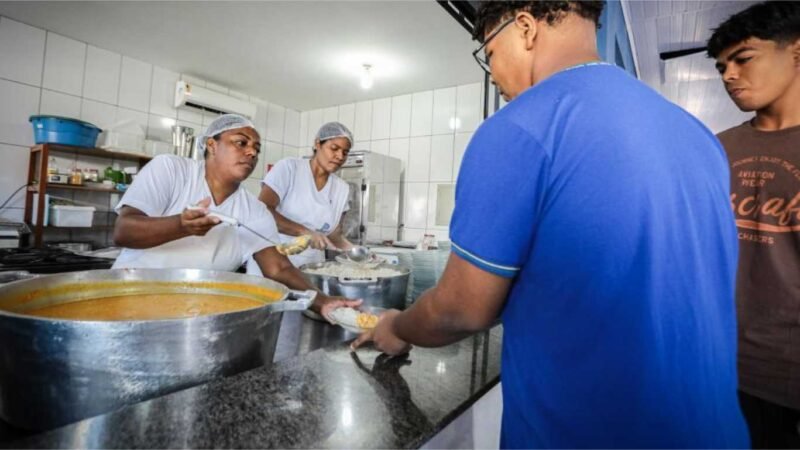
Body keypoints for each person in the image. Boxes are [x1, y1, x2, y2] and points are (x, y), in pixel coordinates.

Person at [352, 1, 749, 447]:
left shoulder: (520, 126)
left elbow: (460, 309)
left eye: (490, 52)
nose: (493, 72)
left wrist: (396, 326)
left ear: (524, 28)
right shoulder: (698, 135)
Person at [112, 114, 360, 320]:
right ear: (211, 145)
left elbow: (278, 268)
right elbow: (124, 231)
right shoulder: (171, 170)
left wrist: (324, 302)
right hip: (132, 301)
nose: (251, 152)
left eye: (256, 148)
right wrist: (181, 225)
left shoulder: (253, 210)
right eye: (241, 143)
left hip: (196, 313)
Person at [707, 2, 800, 447]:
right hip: (725, 367)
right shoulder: (715, 150)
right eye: (722, 65)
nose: (728, 74)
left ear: (796, 53)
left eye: (743, 58)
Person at [246, 122, 354, 272]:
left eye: (345, 152)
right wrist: (305, 232)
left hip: (312, 268)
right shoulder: (289, 168)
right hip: (272, 262)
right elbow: (262, 211)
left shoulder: (342, 188)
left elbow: (335, 234)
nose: (340, 156)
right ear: (317, 144)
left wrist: (356, 252)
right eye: (334, 148)